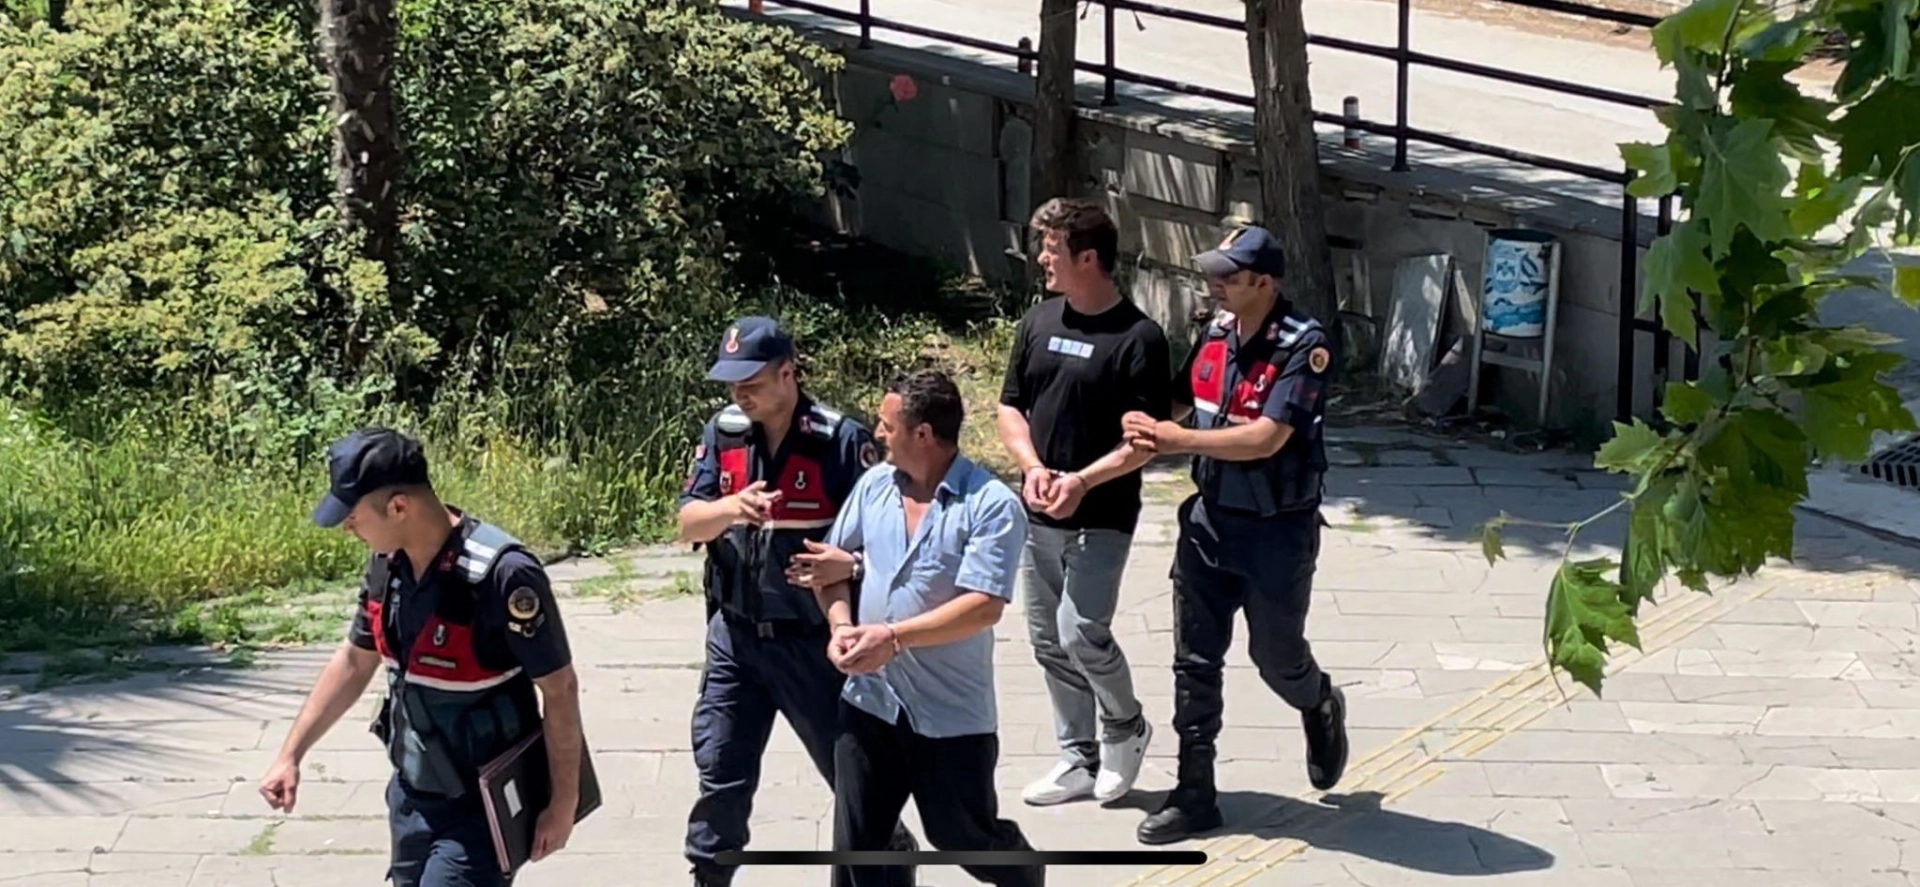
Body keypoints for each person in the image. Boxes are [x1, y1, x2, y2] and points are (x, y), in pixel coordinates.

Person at [259, 427, 584, 887]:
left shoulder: (503, 575)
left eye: (353, 516)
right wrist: (290, 755)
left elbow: (560, 687)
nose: (348, 528)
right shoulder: (386, 564)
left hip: (481, 811)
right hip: (411, 799)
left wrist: (564, 802)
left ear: (398, 507)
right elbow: (354, 662)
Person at [1120, 224, 1350, 845]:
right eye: (1214, 271)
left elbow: (1267, 437)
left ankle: (1318, 701)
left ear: (1264, 282)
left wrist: (1180, 440)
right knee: (1193, 663)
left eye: (1228, 274)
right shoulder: (1216, 332)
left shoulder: (1304, 345)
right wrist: (1139, 418)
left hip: (1277, 532)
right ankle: (1194, 793)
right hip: (1209, 521)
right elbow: (1178, 401)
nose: (1215, 282)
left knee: (1276, 658)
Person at [674, 316, 917, 887]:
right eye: (732, 383)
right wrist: (730, 509)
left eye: (752, 382)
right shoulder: (724, 433)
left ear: (788, 373)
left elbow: (890, 542)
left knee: (854, 782)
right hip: (736, 639)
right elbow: (687, 523)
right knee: (720, 775)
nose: (740, 394)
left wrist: (850, 567)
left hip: (813, 645)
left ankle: (889, 860)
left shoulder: (841, 441)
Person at [800, 369, 1044, 887]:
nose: (877, 433)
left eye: (887, 425)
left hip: (949, 713)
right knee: (858, 850)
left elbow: (983, 606)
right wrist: (841, 625)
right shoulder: (874, 486)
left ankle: (1025, 872)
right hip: (870, 702)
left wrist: (892, 637)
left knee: (963, 837)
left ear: (923, 434)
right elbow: (829, 566)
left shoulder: (990, 505)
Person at [998, 197, 1169, 806]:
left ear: (1088, 258)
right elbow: (1010, 407)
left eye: (1052, 250)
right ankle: (1078, 757)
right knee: (1047, 639)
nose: (1042, 259)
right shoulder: (1038, 321)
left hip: (1103, 516)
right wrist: (1033, 468)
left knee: (1081, 632)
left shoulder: (1139, 338)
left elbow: (1143, 441)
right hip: (1039, 511)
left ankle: (1126, 726)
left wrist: (1082, 482)